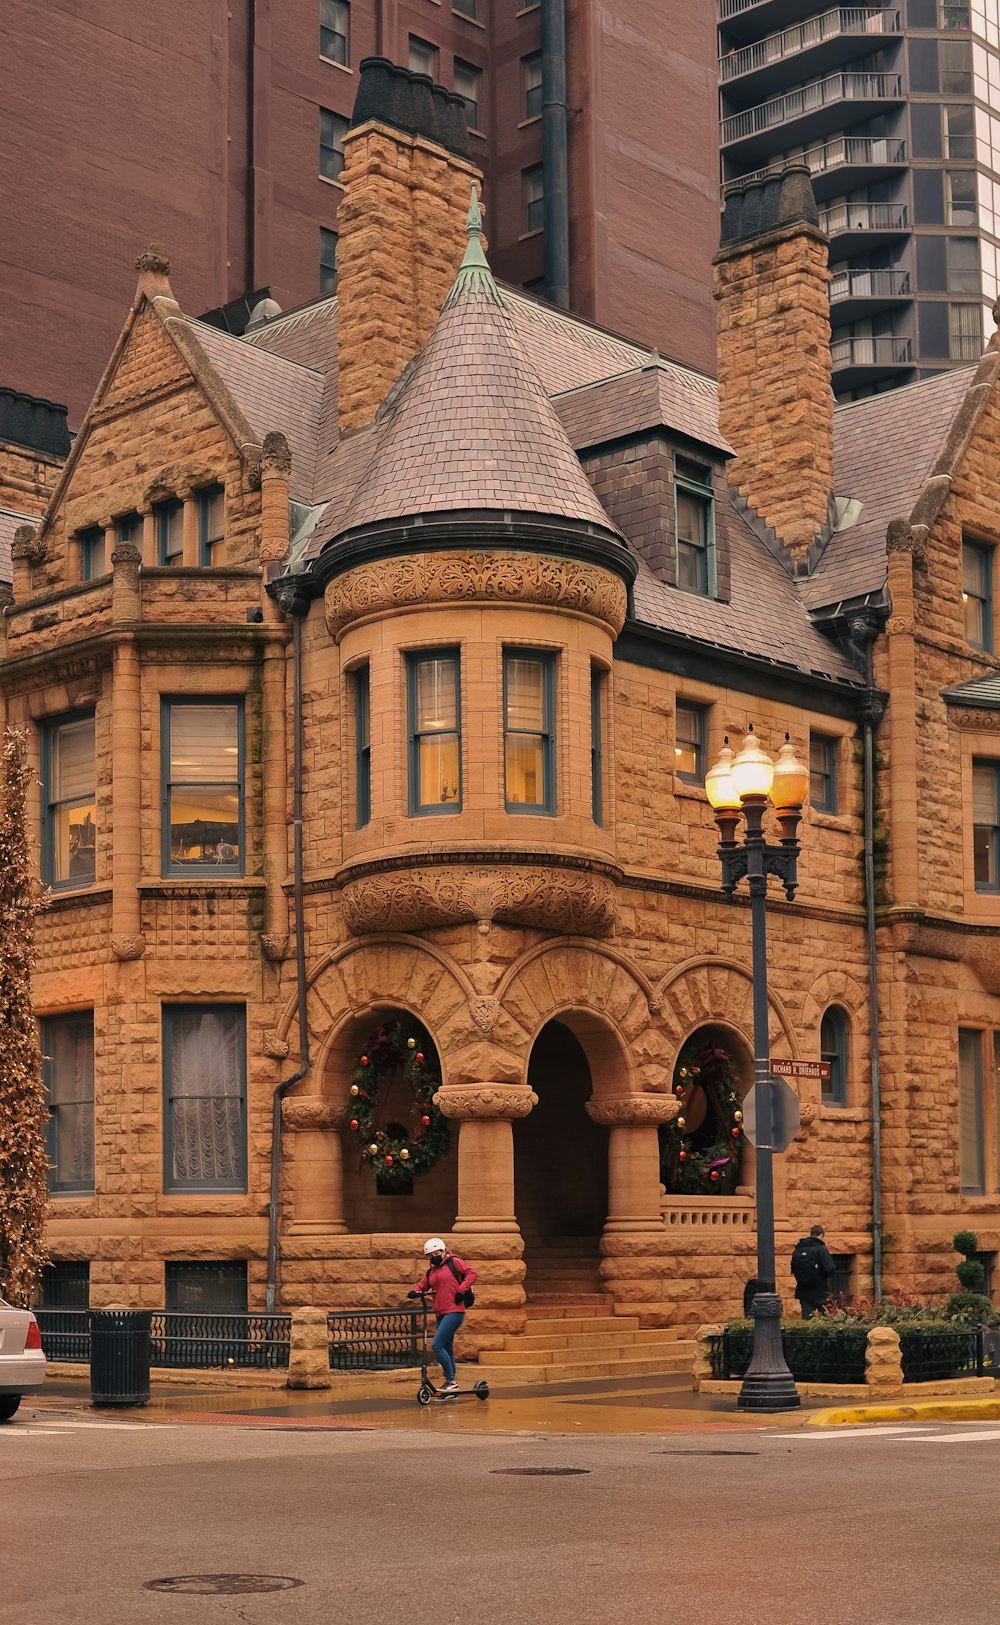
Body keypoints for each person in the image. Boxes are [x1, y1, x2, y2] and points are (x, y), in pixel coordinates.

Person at [408, 1237, 477, 1395]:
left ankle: (451, 1381)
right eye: (430, 1255)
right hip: (440, 1312)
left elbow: (472, 1273)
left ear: (443, 1250)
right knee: (447, 1348)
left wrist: (461, 1290)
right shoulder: (431, 1271)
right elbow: (422, 1284)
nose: (434, 1256)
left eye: (436, 1253)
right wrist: (414, 1291)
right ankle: (452, 1384)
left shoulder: (454, 1262)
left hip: (454, 1311)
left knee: (437, 1345)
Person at [790, 1224, 835, 1319]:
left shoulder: (799, 1248)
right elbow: (830, 1268)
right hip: (820, 1290)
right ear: (821, 1235)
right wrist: (822, 1276)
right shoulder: (821, 1249)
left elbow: (793, 1267)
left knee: (807, 1321)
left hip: (803, 1290)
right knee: (827, 1320)